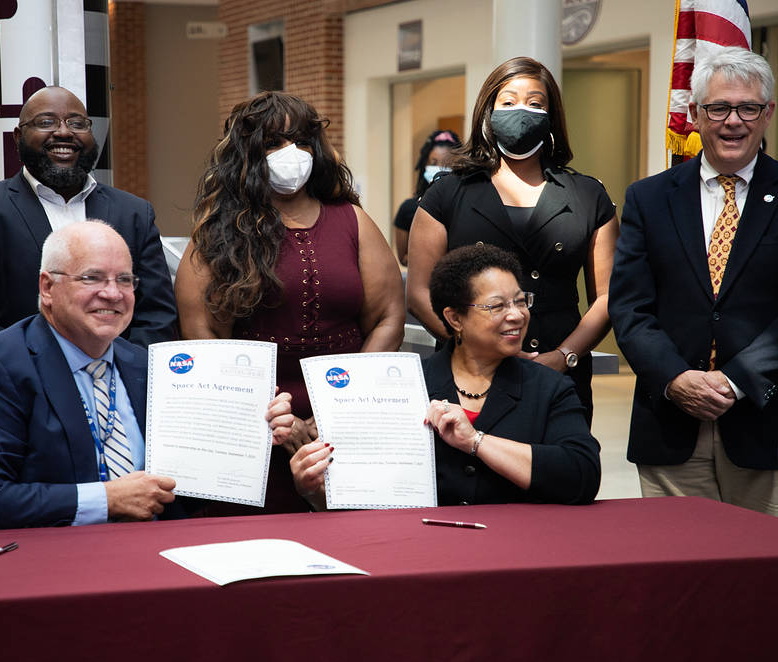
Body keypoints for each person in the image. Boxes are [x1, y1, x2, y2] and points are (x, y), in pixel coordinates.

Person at [608, 47, 778, 521]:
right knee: (679, 573)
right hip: (670, 420)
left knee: (762, 578)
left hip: (768, 421)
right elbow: (630, 307)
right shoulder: (648, 198)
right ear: (694, 114)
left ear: (768, 112)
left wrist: (735, 381)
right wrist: (675, 378)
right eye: (718, 108)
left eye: (748, 108)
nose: (733, 121)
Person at [0, 220, 294, 531]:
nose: (112, 294)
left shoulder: (146, 366)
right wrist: (106, 499)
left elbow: (188, 491)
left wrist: (251, 433)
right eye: (92, 277)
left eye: (124, 280)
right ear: (47, 288)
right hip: (48, 565)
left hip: (155, 557)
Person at [176, 91, 405, 514]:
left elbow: (389, 316)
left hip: (346, 427)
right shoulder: (214, 233)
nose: (291, 153)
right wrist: (282, 421)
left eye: (300, 141)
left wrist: (344, 409)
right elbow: (204, 341)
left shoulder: (352, 218)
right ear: (247, 154)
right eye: (273, 143)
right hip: (252, 430)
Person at [290, 244, 600, 507]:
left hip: (519, 552)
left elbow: (582, 476)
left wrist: (475, 441)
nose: (517, 315)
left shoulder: (549, 386)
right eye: (497, 306)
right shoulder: (404, 388)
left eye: (521, 301)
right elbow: (365, 493)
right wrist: (314, 490)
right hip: (421, 553)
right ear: (455, 318)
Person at [406, 57, 618, 424]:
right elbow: (419, 291)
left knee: (555, 474)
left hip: (558, 375)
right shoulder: (447, 193)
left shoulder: (588, 194)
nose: (522, 111)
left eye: (536, 103)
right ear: (488, 112)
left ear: (552, 117)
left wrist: (563, 357)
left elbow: (607, 297)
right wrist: (470, 347)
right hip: (466, 378)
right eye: (508, 102)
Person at [0, 85, 177, 354]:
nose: (64, 132)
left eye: (77, 123)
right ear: (18, 136)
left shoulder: (134, 213)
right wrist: (36, 372)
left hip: (116, 386)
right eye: (46, 122)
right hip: (21, 385)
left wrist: (115, 371)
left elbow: (157, 315)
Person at [392, 129, 461, 266]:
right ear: (425, 164)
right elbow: (403, 258)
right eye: (433, 163)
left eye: (446, 163)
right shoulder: (408, 208)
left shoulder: (464, 206)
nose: (439, 168)